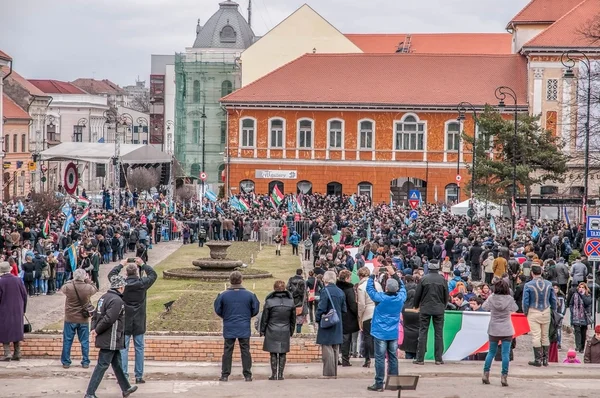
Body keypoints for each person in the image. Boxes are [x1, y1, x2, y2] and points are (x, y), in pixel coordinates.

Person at [84, 275, 138, 398]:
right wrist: (96, 330)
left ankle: (126, 388)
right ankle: (90, 393)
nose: (124, 288)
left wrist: (93, 329)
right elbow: (109, 319)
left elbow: (96, 316)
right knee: (102, 365)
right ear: (120, 287)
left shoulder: (104, 298)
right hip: (111, 338)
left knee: (117, 363)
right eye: (123, 286)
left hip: (109, 337)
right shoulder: (117, 301)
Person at [108, 259, 158, 383]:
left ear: (126, 273)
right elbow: (153, 274)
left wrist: (121, 264)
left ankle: (124, 375)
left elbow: (111, 275)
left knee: (123, 349)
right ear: (136, 272)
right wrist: (143, 264)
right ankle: (139, 375)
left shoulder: (122, 284)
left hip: (125, 319)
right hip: (139, 319)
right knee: (139, 348)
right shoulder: (142, 283)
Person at [365, 268, 407, 392]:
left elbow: (370, 289)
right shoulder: (400, 298)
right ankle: (393, 382)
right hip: (393, 331)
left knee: (380, 358)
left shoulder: (380, 298)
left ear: (386, 288)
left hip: (380, 331)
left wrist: (372, 275)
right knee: (393, 357)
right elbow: (403, 288)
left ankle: (379, 383)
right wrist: (395, 275)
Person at [214, 271, 260, 382]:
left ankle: (225, 374)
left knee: (227, 351)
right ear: (241, 280)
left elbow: (218, 309)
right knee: (245, 351)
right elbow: (255, 309)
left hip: (229, 325)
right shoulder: (250, 295)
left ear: (230, 281)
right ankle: (247, 374)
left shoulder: (223, 295)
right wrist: (247, 316)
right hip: (244, 326)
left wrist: (226, 316)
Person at [481, 280, 518, 387]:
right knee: (505, 354)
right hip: (506, 328)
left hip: (494, 328)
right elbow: (515, 308)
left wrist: (491, 296)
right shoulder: (509, 299)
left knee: (491, 352)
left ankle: (486, 373)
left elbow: (484, 307)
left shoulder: (491, 298)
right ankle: (504, 376)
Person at [60, 268, 98, 369]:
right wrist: (88, 280)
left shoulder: (68, 287)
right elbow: (95, 288)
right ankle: (85, 361)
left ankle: (66, 362)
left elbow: (62, 288)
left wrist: (72, 280)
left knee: (67, 341)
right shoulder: (88, 288)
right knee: (84, 341)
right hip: (83, 318)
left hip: (70, 318)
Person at [413, 259, 448, 365]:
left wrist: (416, 305)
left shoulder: (424, 279)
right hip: (439, 309)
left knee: (423, 332)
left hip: (425, 308)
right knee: (439, 334)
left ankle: (420, 359)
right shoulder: (442, 280)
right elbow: (446, 296)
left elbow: (417, 294)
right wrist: (443, 306)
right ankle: (438, 359)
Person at [259, 280, 295, 380]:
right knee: (283, 353)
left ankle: (274, 374)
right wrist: (291, 331)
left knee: (273, 353)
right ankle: (281, 374)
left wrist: (262, 330)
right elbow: (293, 319)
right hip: (285, 329)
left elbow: (265, 318)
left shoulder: (269, 301)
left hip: (272, 329)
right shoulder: (290, 302)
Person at [523, 265, 557, 367]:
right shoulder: (549, 284)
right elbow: (553, 299)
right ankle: (545, 360)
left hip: (534, 310)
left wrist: (525, 312)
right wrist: (553, 310)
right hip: (546, 310)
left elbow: (525, 301)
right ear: (541, 272)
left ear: (532, 273)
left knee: (536, 335)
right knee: (545, 335)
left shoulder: (528, 285)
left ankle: (537, 359)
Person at [315, 270, 347, 378]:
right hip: (337, 322)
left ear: (325, 279)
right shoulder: (340, 292)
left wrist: (318, 318)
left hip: (327, 322)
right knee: (335, 348)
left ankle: (328, 373)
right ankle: (334, 372)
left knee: (327, 347)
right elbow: (344, 309)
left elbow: (321, 307)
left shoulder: (325, 291)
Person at [0, 262, 27, 361]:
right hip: (18, 309)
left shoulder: (1, 282)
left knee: (4, 331)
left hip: (4, 310)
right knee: (16, 330)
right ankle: (17, 353)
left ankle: (7, 353)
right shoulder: (18, 280)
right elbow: (24, 295)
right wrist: (23, 309)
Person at [357, 266, 382, 368]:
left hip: (367, 313)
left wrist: (360, 317)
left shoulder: (361, 287)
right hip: (378, 313)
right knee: (377, 337)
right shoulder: (377, 285)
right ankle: (378, 357)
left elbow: (361, 304)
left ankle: (368, 358)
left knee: (367, 337)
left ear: (360, 276)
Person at [336, 269, 359, 367]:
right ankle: (345, 359)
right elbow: (352, 304)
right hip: (348, 316)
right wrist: (357, 313)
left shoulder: (336, 288)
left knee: (336, 338)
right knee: (346, 339)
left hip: (337, 315)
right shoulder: (349, 290)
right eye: (349, 277)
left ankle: (336, 358)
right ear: (346, 278)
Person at [568, 281, 592, 353]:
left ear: (585, 288)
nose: (581, 288)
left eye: (583, 287)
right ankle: (578, 346)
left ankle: (582, 347)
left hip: (584, 316)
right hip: (576, 316)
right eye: (580, 287)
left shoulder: (587, 295)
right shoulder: (575, 295)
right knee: (577, 331)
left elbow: (588, 303)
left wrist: (583, 295)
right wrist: (572, 311)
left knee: (583, 333)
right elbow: (571, 304)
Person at [287, 269, 306, 333]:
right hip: (300, 301)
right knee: (299, 320)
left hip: (292, 300)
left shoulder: (291, 279)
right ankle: (298, 333)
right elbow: (304, 292)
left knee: (291, 318)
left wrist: (291, 292)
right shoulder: (303, 281)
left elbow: (287, 287)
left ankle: (290, 333)